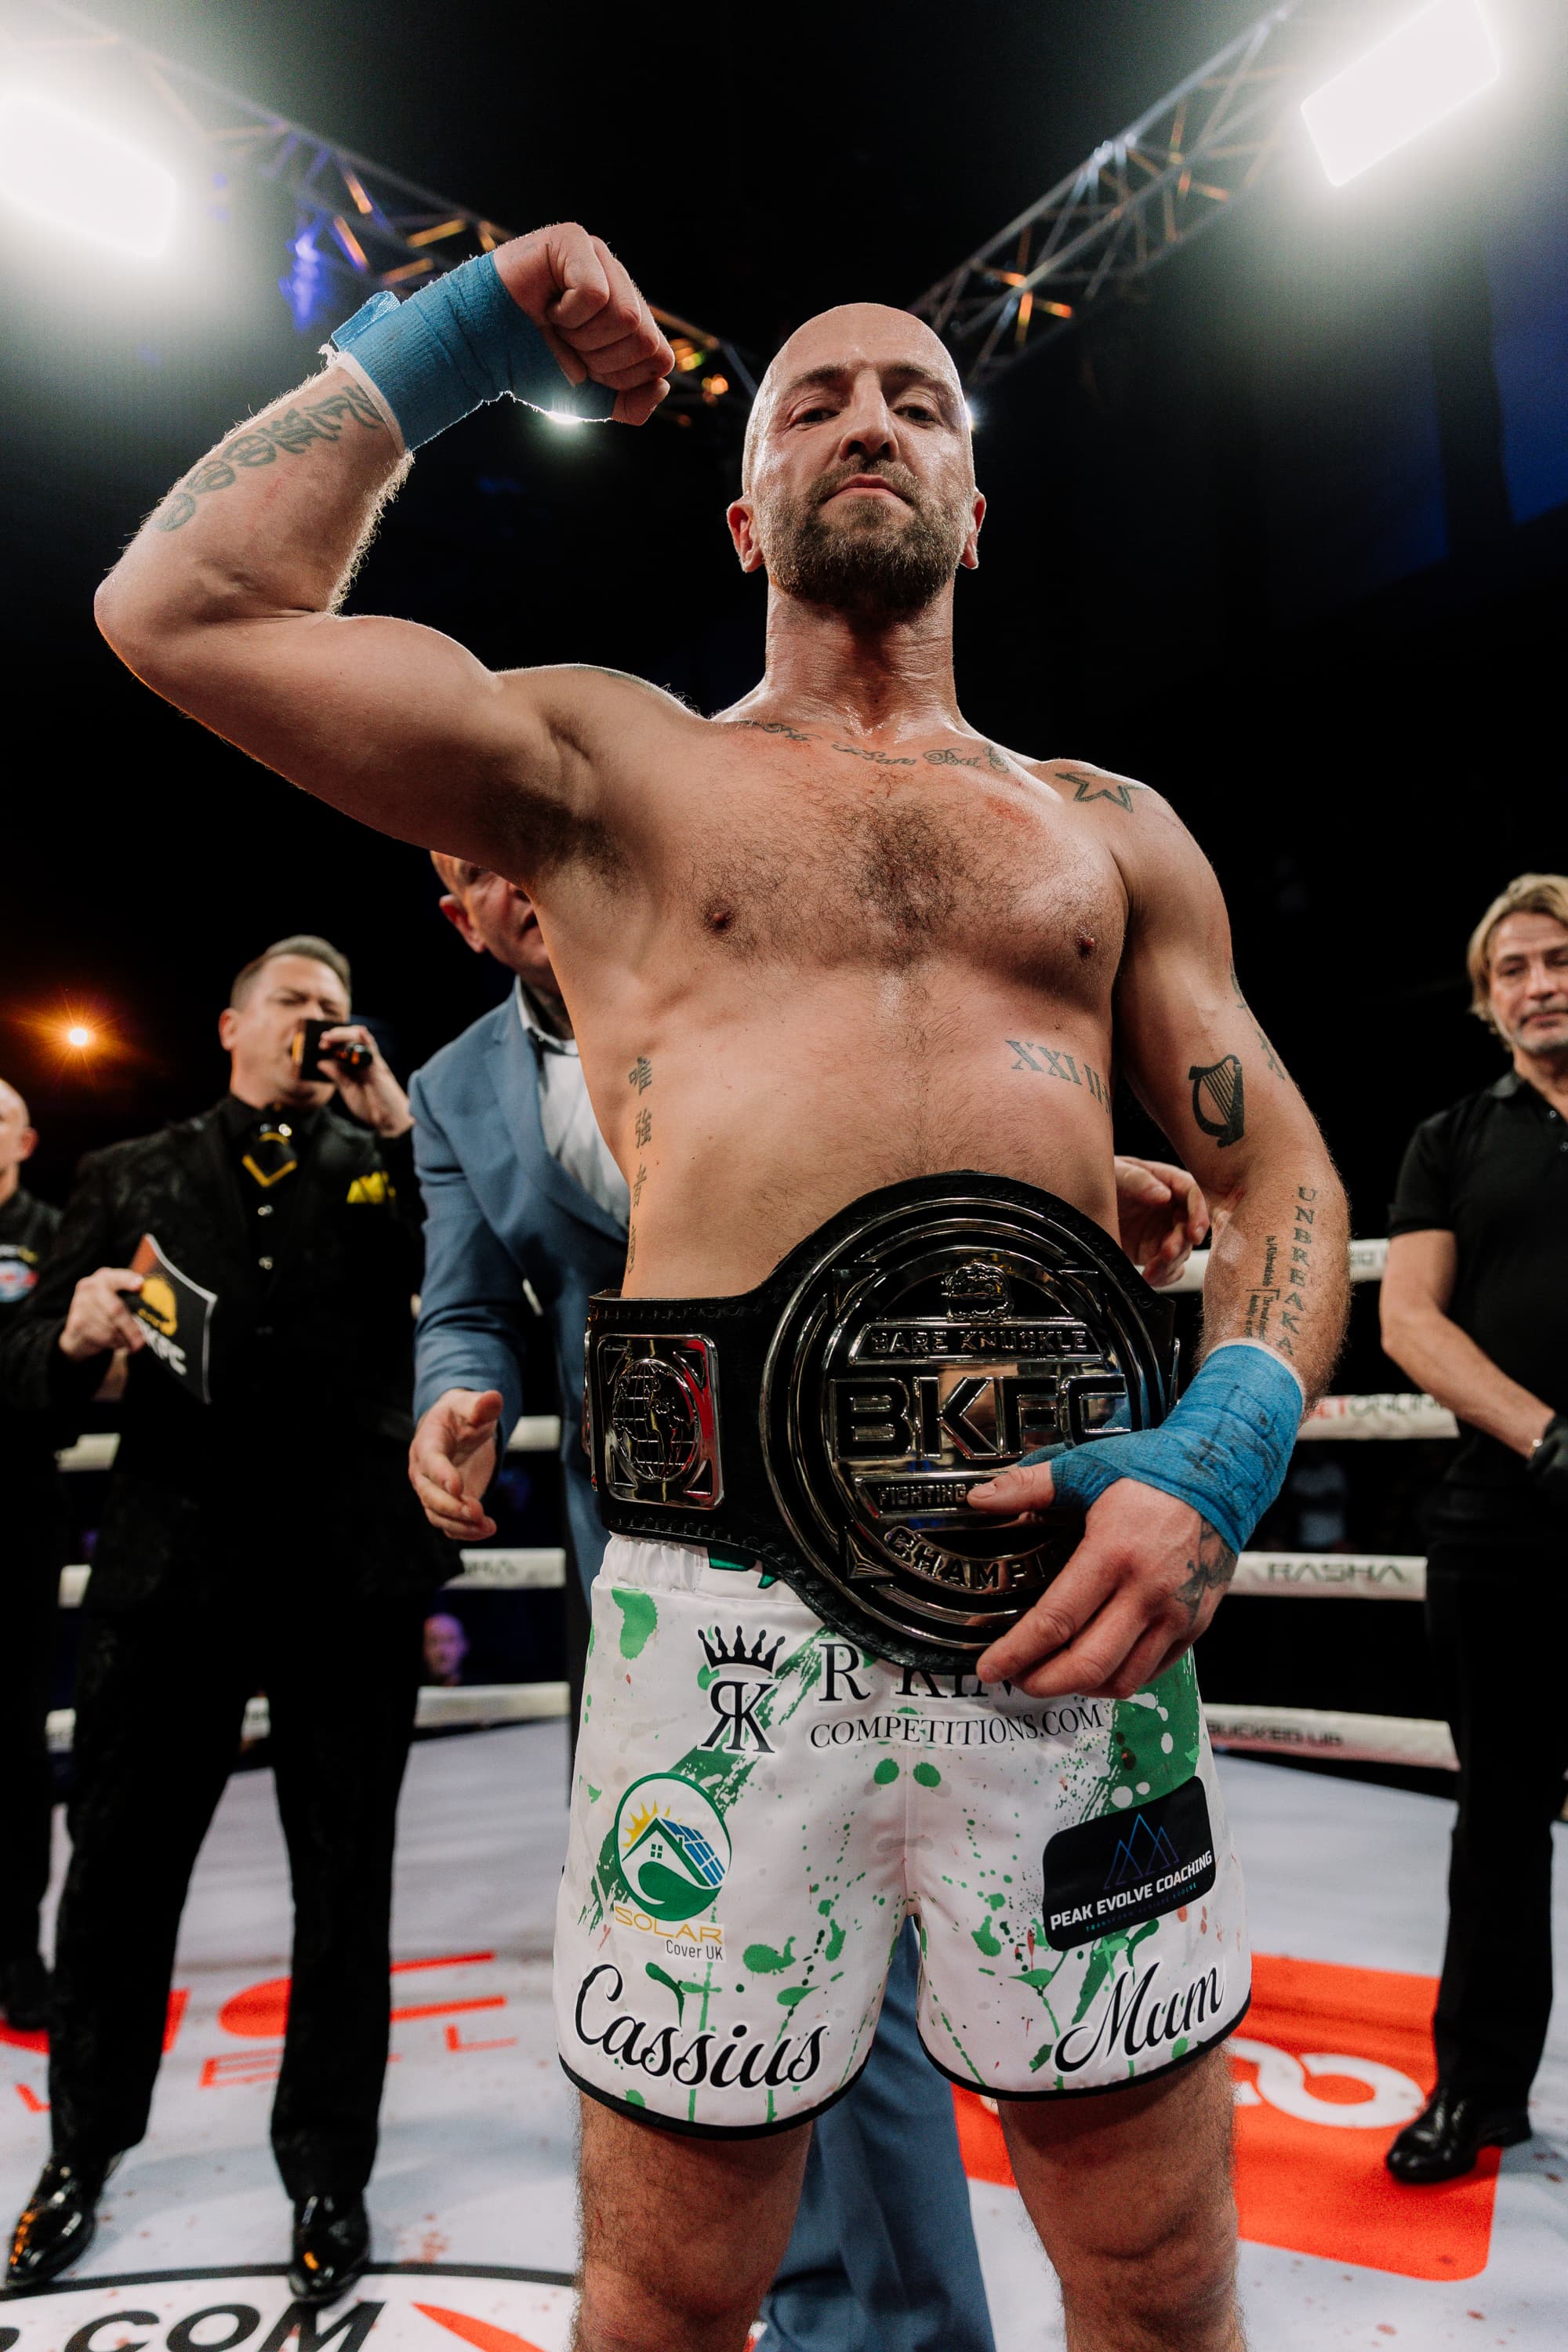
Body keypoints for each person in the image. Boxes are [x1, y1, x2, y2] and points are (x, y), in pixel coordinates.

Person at [93, 225, 1348, 2352]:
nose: (872, 417)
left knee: (1154, 2273)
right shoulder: (610, 770)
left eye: (920, 401)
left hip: (1063, 1596)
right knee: (671, 2295)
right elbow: (178, 607)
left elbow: (1282, 1169)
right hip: (722, 1623)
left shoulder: (1105, 830)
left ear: (977, 495)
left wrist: (1224, 1446)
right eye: (814, 404)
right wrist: (460, 334)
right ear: (743, 504)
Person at [408, 856, 1211, 2352]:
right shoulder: (453, 1086)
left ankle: (903, 2330)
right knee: (721, 1986)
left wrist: (1070, 1175)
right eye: (471, 875)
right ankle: (820, 2303)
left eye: (517, 847)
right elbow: (468, 1299)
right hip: (654, 1572)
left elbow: (914, 1129)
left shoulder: (766, 941)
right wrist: (456, 1392)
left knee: (930, 1982)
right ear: (462, 917)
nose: (509, 883)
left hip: (915, 1526)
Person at [0, 938, 447, 2300]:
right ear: (231, 1025)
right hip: (169, 1578)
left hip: (348, 1580)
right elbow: (24, 1385)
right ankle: (81, 2151)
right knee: (122, 1881)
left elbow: (472, 1274)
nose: (321, 1024)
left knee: (343, 1886)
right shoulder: (125, 1175)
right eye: (296, 1005)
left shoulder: (389, 1171)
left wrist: (402, 1127)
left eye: (338, 1007)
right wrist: (68, 1337)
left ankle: (327, 2166)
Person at [1379, 873, 1568, 2184]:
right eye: (1515, 968)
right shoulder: (1450, 1137)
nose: (1542, 982)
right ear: (1486, 999)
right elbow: (1408, 1322)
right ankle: (1479, 2093)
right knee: (1497, 1818)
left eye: (1560, 958)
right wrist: (1551, 1436)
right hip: (1504, 1521)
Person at [0, 1077, 64, 2034]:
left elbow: (60, 1357)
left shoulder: (55, 1229)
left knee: (14, 1742)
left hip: (16, 1506)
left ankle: (19, 1951)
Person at [423, 1610, 470, 1686]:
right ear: (424, 1648)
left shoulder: (483, 1690)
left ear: (464, 1645)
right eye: (433, 1641)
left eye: (449, 1640)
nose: (441, 1651)